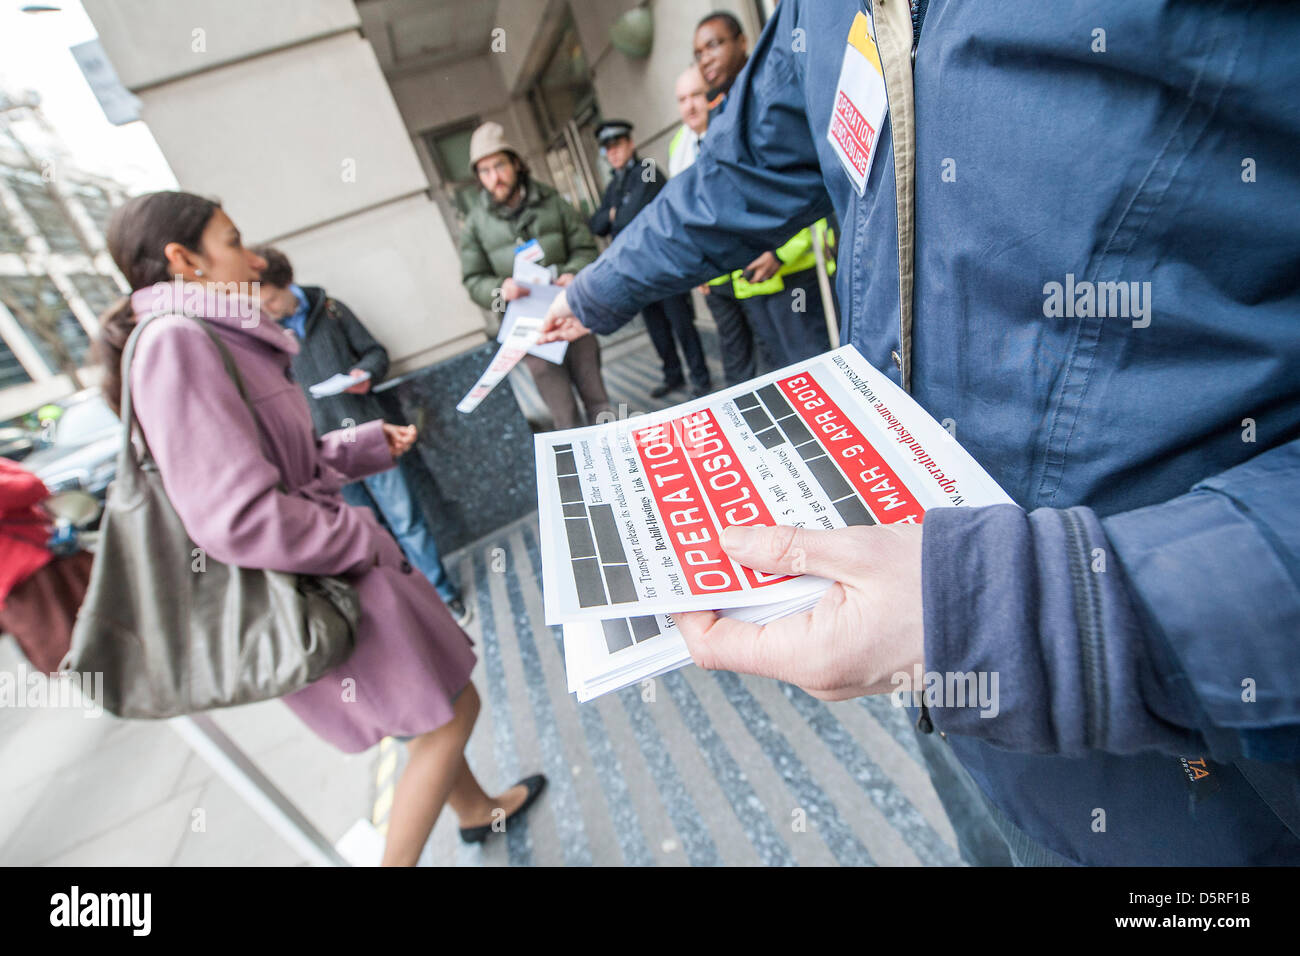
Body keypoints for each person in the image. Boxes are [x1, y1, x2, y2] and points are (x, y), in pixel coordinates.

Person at [541, 1, 1300, 866]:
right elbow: (743, 168)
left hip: (1204, 758)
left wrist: (1015, 613)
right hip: (945, 685)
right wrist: (593, 293)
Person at [97, 192, 545, 865]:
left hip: (324, 570)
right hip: (319, 581)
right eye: (232, 241)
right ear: (182, 259)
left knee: (422, 710)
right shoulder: (180, 344)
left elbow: (280, 466)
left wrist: (360, 447)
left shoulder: (209, 336)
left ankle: (478, 813)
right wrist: (360, 536)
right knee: (450, 710)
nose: (253, 259)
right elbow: (238, 516)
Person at [251, 246, 471, 627]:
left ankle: (443, 595)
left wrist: (363, 375)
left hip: (369, 434)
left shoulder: (331, 308)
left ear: (285, 283)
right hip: (322, 453)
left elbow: (375, 353)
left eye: (269, 298)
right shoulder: (265, 334)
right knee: (365, 532)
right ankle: (407, 605)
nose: (266, 308)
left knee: (407, 520)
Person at [691, 11, 835, 375]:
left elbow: (813, 181)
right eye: (698, 52)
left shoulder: (771, 98)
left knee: (818, 375)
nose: (705, 58)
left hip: (794, 274)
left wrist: (781, 252)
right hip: (751, 285)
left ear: (742, 42)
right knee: (787, 382)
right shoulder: (721, 114)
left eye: (714, 44)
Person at [459, 121, 612, 429]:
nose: (494, 177)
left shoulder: (552, 202)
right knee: (563, 413)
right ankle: (584, 471)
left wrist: (573, 273)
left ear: (515, 162)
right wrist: (499, 290)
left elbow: (585, 248)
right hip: (529, 332)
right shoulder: (475, 224)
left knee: (597, 398)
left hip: (571, 313)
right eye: (485, 171)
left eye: (499, 165)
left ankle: (617, 461)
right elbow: (473, 280)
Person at [589, 119, 710, 398]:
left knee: (681, 323)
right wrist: (614, 213)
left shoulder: (647, 172)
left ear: (630, 144)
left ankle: (700, 377)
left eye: (617, 145)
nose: (614, 152)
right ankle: (673, 376)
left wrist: (614, 214)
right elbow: (596, 224)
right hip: (634, 271)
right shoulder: (614, 186)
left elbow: (627, 218)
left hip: (662, 264)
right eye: (608, 148)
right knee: (656, 326)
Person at [0, 459, 92, 673]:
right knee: (89, 652)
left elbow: (32, 486)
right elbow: (30, 487)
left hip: (25, 583)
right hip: (33, 580)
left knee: (81, 659)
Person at [667, 66, 709, 179]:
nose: (690, 106)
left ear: (709, 95)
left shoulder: (728, 127)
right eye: (682, 100)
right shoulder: (677, 145)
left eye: (696, 95)